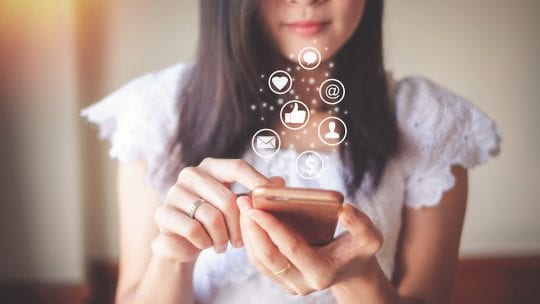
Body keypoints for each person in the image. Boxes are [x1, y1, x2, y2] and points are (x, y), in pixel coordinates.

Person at [81, 1, 502, 303]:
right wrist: (174, 256)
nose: (306, 0)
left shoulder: (429, 122)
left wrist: (359, 279)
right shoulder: (159, 110)